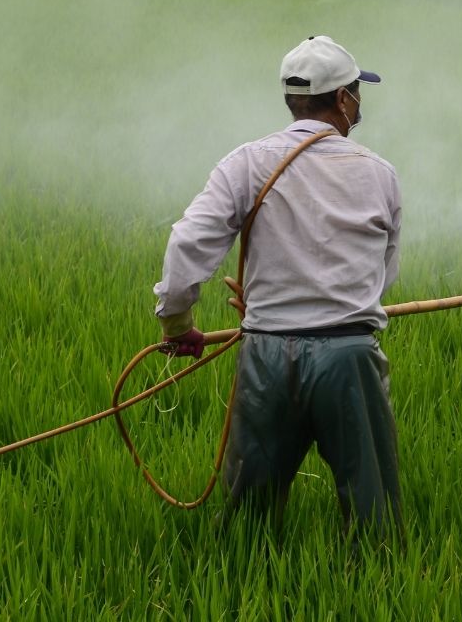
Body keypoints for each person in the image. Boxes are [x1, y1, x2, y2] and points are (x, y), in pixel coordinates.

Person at [153, 35, 402, 541]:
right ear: (341, 98)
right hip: (349, 356)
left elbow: (188, 243)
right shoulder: (379, 174)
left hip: (266, 354)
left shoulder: (246, 162)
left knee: (249, 520)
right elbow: (382, 274)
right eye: (356, 91)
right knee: (374, 516)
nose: (358, 103)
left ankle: (240, 588)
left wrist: (178, 324)